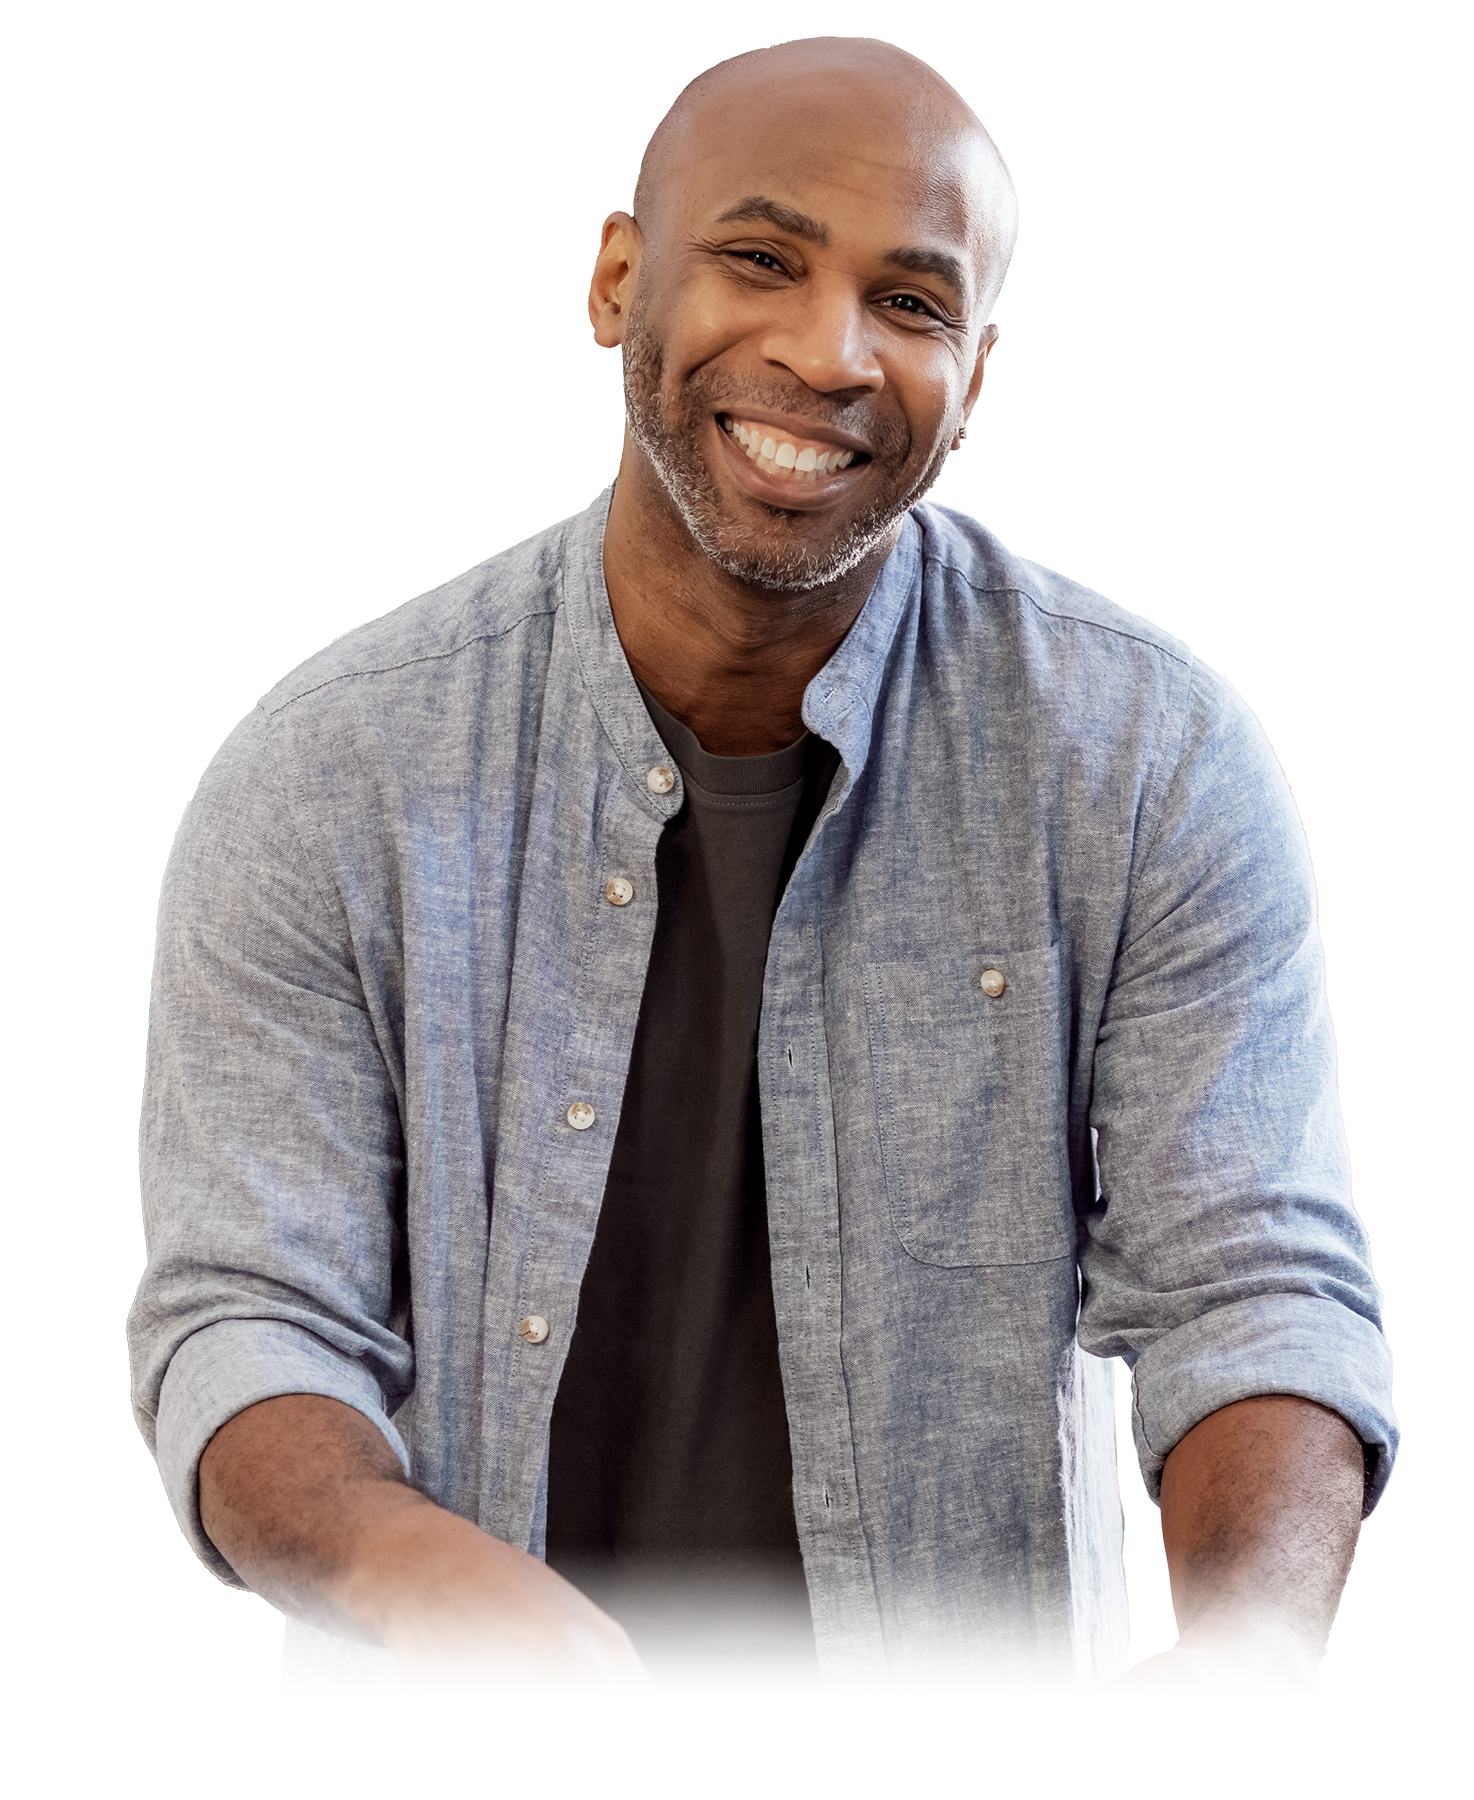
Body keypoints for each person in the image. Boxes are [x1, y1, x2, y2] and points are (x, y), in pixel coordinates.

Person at [128, 39, 1397, 1703]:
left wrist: (1248, 1637)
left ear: (974, 373)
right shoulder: (330, 774)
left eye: (911, 302)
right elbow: (242, 1318)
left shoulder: (1144, 759)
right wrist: (404, 1566)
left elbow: (1253, 1281)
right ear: (615, 282)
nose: (828, 351)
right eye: (759, 259)